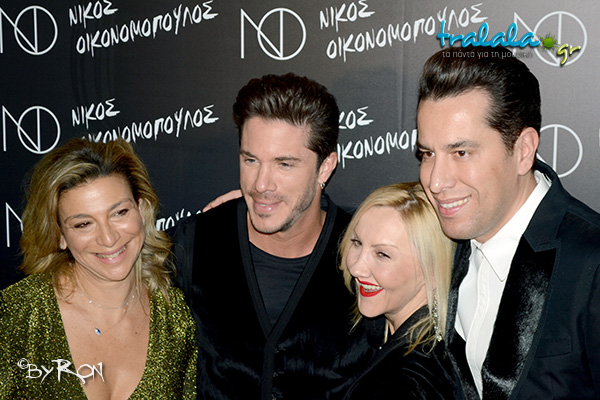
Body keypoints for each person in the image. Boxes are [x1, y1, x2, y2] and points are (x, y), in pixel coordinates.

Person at [171, 73, 383, 399]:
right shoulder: (194, 243)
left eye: (284, 164)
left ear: (325, 167)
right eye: (250, 160)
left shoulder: (368, 253)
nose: (261, 184)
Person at [416, 46, 600, 399]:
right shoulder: (440, 244)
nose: (435, 181)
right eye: (427, 154)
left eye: (461, 153)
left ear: (523, 150)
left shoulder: (591, 262)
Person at [0, 138, 197, 399]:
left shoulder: (175, 318)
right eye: (83, 224)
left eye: (119, 213)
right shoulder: (16, 316)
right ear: (60, 236)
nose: (108, 238)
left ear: (141, 210)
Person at [339, 182, 458, 399]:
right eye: (357, 242)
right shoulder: (377, 331)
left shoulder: (411, 379)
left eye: (382, 254)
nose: (356, 268)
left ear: (433, 270)